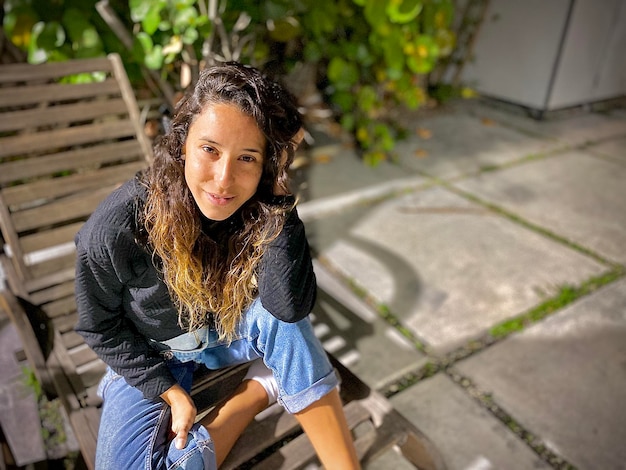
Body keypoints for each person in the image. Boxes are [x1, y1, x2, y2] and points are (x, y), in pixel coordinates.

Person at [74, 62, 360, 469]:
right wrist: (170, 392)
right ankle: (259, 389)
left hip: (227, 333)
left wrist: (279, 190)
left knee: (286, 327)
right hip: (154, 352)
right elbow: (97, 325)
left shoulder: (260, 203)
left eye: (248, 158)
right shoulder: (117, 227)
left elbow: (288, 307)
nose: (224, 179)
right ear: (182, 144)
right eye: (210, 149)